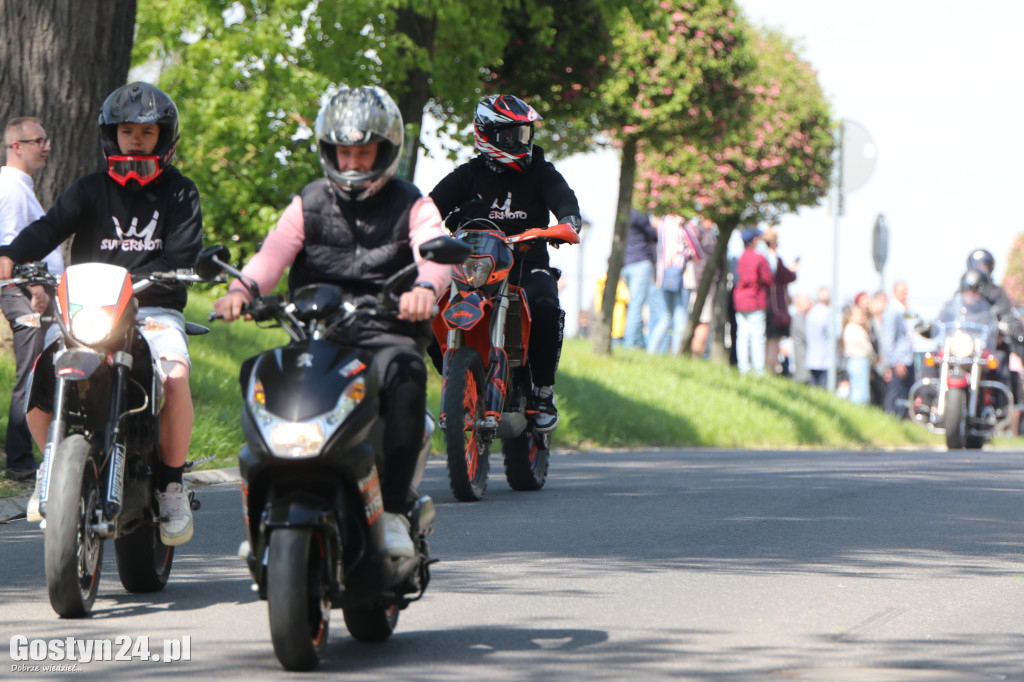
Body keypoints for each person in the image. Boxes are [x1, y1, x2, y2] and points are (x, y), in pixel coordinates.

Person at [213, 84, 451, 559]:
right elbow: (272, 255)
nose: (354, 163)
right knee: (258, 372)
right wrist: (241, 290)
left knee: (406, 377)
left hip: (386, 330)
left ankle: (397, 512)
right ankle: (269, 501)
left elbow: (436, 253)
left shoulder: (412, 202)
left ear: (385, 151)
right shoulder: (309, 201)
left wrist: (425, 291)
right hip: (317, 332)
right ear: (329, 150)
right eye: (345, 152)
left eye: (364, 152)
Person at [0, 83, 202, 542]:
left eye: (146, 132)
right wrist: (9, 254)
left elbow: (183, 253)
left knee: (174, 377)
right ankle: (52, 468)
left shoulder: (181, 193)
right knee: (39, 377)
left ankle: (171, 485)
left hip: (153, 309)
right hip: (90, 310)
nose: (135, 140)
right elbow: (49, 229)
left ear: (163, 137)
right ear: (111, 135)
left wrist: (167, 276)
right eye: (126, 130)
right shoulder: (90, 188)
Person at [429, 94, 582, 432]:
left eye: (525, 134)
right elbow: (429, 209)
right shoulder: (469, 174)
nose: (522, 142)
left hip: (527, 266)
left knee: (545, 304)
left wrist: (569, 222)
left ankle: (542, 390)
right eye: (513, 134)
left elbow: (564, 199)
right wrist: (413, 227)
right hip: (472, 271)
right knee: (425, 301)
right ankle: (455, 375)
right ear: (488, 134)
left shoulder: (541, 172)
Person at [1, 117, 62, 482]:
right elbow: (9, 247)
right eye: (38, 140)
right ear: (16, 146)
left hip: (35, 291)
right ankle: (20, 462)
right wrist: (36, 289)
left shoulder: (21, 186)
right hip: (24, 293)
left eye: (46, 138)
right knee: (32, 375)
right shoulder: (10, 187)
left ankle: (37, 456)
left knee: (43, 372)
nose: (46, 146)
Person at [647, 214, 691, 355]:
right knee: (680, 317)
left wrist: (659, 277)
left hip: (664, 275)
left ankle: (651, 352)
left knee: (665, 316)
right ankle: (677, 355)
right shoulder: (680, 224)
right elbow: (693, 248)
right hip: (680, 275)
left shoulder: (663, 224)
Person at [731, 226, 773, 375]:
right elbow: (768, 278)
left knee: (742, 335)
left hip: (740, 300)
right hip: (755, 300)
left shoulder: (739, 257)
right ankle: (758, 369)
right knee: (757, 336)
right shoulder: (759, 258)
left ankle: (743, 367)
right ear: (755, 240)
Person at [619, 208, 660, 350]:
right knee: (637, 305)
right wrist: (658, 226)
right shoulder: (638, 214)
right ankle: (630, 343)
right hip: (640, 263)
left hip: (627, 265)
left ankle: (639, 342)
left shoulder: (624, 212)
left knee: (635, 304)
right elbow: (655, 235)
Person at [761, 228, 797, 374]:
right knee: (773, 342)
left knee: (764, 341)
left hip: (763, 304)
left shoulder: (761, 258)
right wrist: (793, 270)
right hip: (775, 307)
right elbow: (789, 276)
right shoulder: (775, 260)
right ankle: (769, 371)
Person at [881, 279, 915, 418]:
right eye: (901, 291)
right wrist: (896, 361)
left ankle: (905, 420)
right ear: (894, 292)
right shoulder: (891, 311)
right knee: (895, 392)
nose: (904, 294)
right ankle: (888, 419)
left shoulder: (903, 309)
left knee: (907, 392)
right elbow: (888, 340)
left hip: (908, 357)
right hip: (899, 360)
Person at [689, 215, 719, 358]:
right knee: (704, 321)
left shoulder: (695, 232)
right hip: (703, 282)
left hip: (697, 281)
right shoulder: (705, 234)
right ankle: (697, 355)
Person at [842, 303, 875, 405]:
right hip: (859, 360)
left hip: (856, 361)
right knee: (860, 388)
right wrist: (874, 358)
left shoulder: (850, 328)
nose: (861, 317)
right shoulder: (855, 328)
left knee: (858, 386)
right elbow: (867, 348)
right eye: (858, 314)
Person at [804, 286, 832, 388]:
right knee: (823, 388)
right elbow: (835, 333)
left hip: (812, 356)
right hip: (825, 358)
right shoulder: (827, 313)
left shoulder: (811, 313)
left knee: (814, 388)